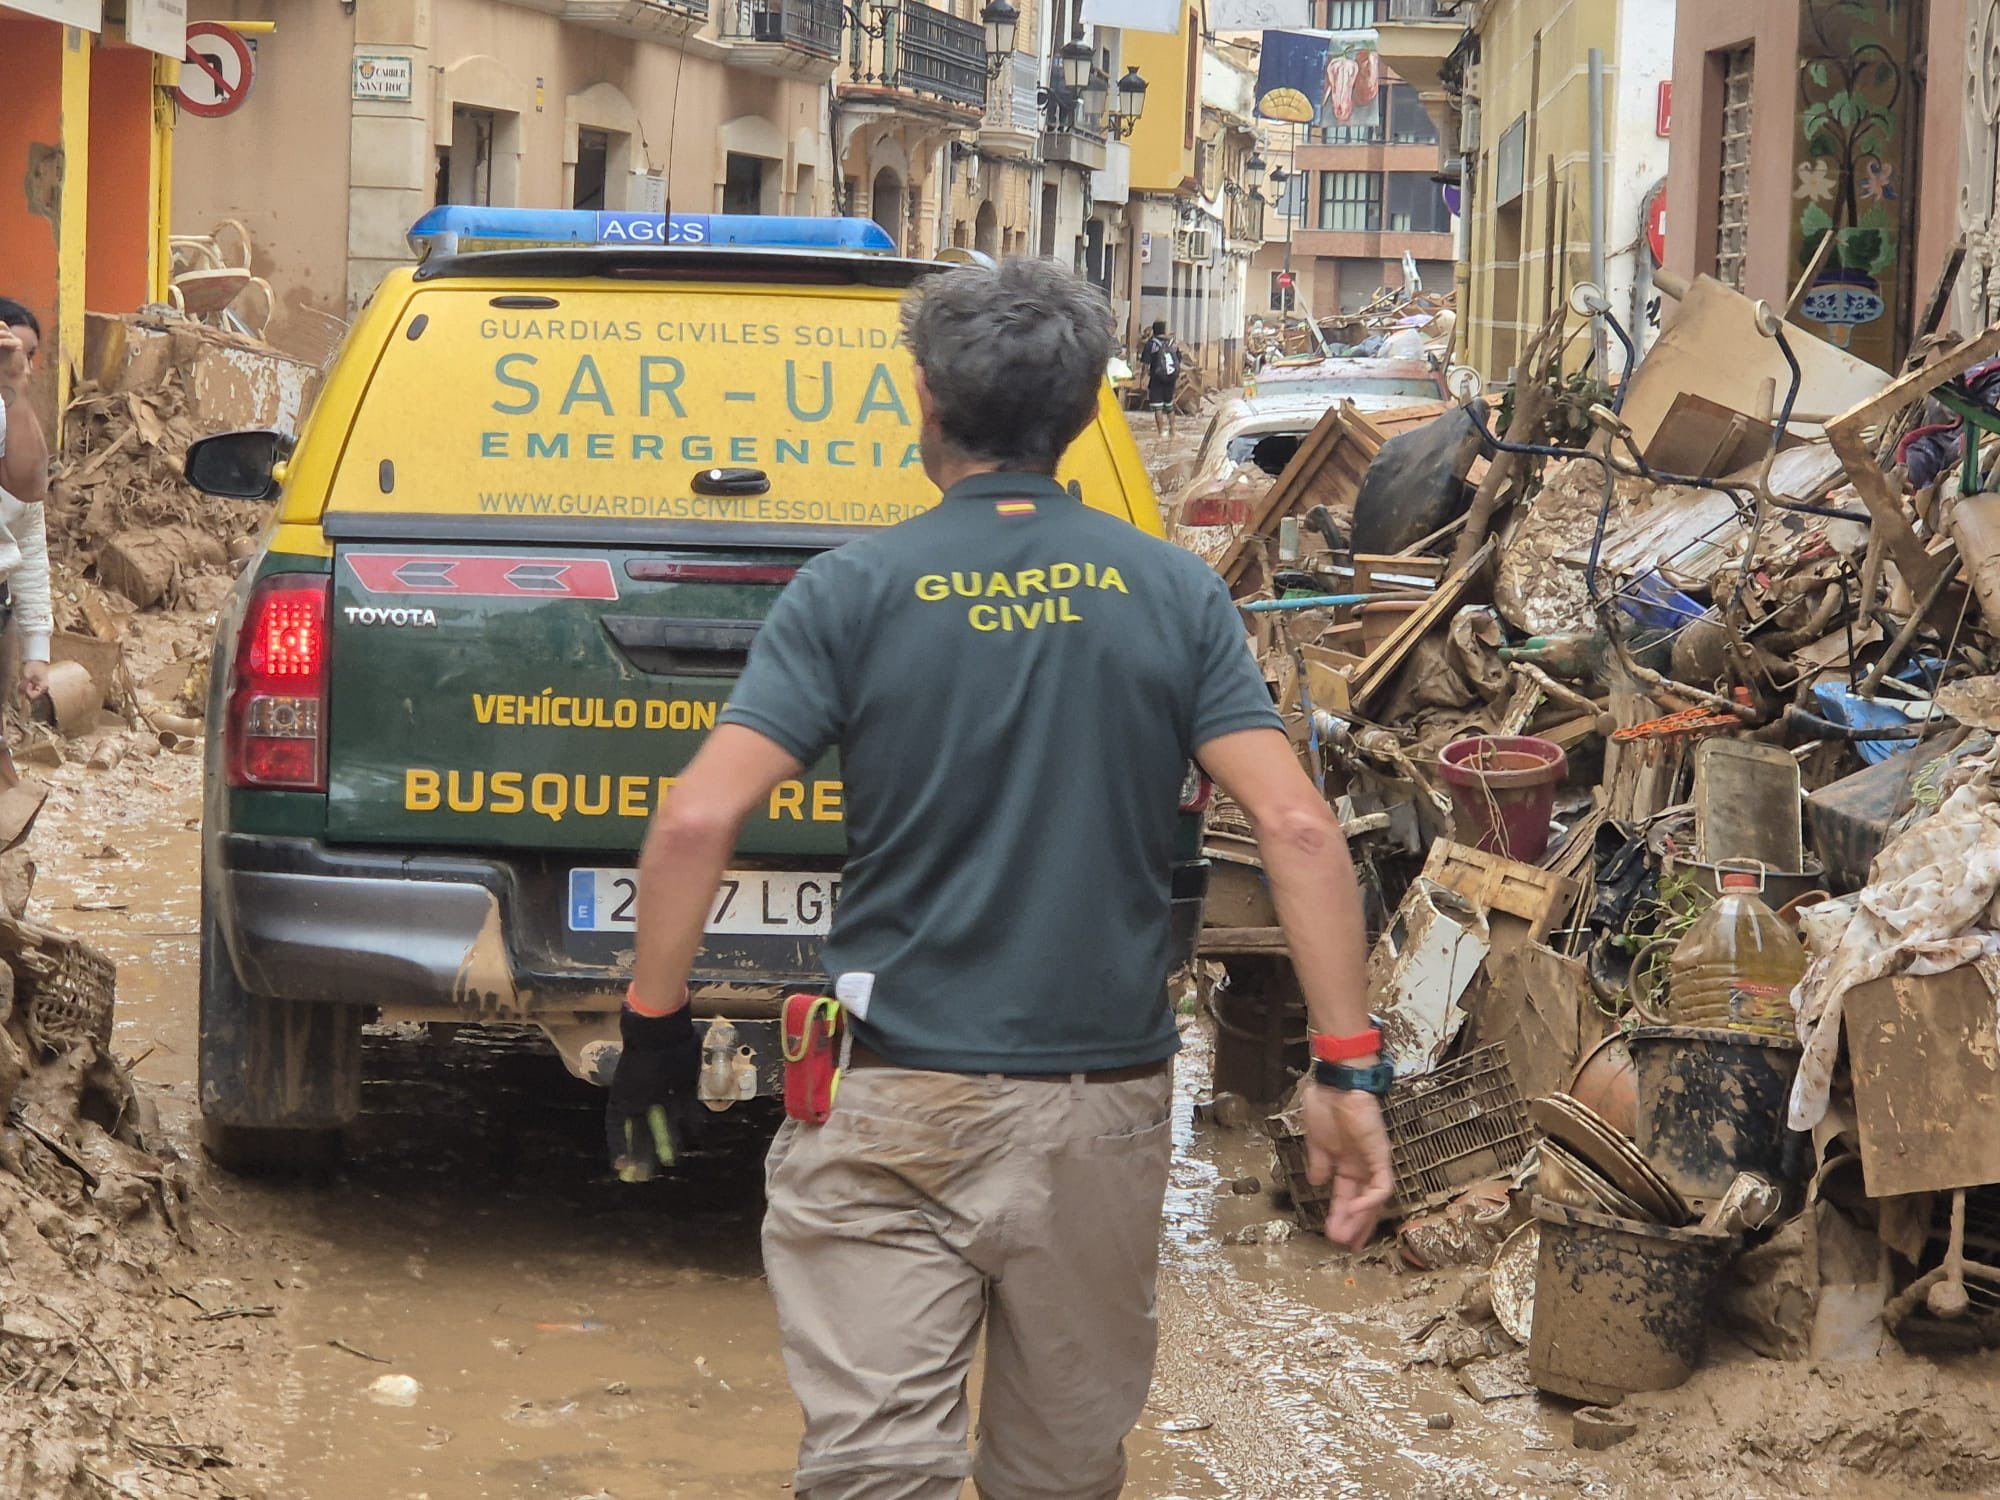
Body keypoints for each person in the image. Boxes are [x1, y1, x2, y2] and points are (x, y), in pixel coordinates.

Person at [617, 258, 1391, 1500]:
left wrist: (653, 1031)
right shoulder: (1173, 592)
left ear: (924, 399)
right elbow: (1297, 830)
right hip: (1098, 1111)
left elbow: (698, 816)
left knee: (875, 1467)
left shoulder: (850, 591)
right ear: (1085, 411)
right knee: (1061, 1470)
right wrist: (1346, 1071)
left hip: (889, 1100)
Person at [0, 300, 53, 705]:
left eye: (28, 355)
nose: (22, 364)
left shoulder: (17, 419)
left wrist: (37, 647)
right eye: (8, 352)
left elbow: (28, 534)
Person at [1138, 318, 1181, 438]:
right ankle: (1172, 431)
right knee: (1169, 405)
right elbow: (1178, 361)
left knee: (1158, 407)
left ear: (1154, 330)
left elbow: (1145, 364)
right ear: (1164, 330)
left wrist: (1142, 379)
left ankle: (1161, 432)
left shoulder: (1151, 344)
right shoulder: (1172, 343)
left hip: (1156, 379)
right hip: (1170, 378)